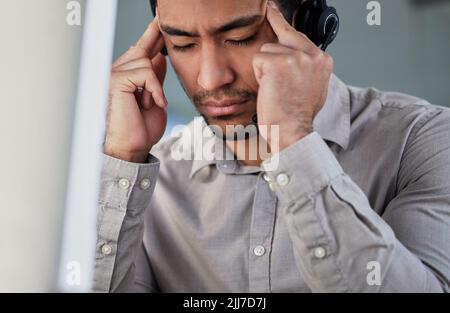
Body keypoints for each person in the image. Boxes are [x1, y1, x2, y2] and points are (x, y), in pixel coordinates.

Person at [93, 0, 450, 292]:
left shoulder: (423, 139)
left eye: (240, 37)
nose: (211, 78)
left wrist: (293, 139)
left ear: (309, 27)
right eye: (183, 45)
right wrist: (123, 156)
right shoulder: (148, 183)